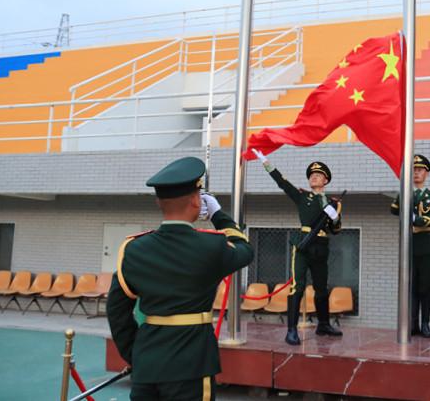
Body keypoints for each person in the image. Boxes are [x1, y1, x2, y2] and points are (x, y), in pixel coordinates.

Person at [107, 156, 254, 400]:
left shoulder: (133, 249)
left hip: (148, 362)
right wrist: (218, 214)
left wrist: (136, 354)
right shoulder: (212, 246)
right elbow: (245, 249)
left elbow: (116, 310)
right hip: (192, 364)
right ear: (196, 201)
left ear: (158, 202)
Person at [252, 149, 343, 346]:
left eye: (318, 175)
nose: (313, 177)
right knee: (297, 286)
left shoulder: (333, 203)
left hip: (321, 246)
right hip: (303, 244)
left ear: (325, 180)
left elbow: (336, 230)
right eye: (311, 175)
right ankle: (292, 330)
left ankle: (323, 324)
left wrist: (335, 219)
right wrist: (266, 163)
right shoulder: (303, 196)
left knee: (321, 287)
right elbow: (283, 183)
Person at [390, 154, 430, 338]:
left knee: (425, 286)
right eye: (413, 170)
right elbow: (393, 209)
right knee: (410, 285)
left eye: (419, 170)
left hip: (425, 243)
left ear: (426, 173)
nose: (416, 173)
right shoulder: (405, 193)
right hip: (409, 241)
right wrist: (404, 195)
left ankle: (425, 323)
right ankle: (413, 323)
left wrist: (414, 219)